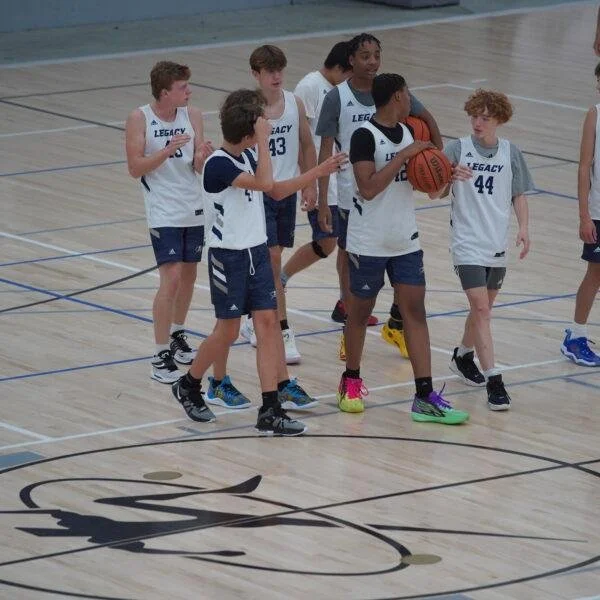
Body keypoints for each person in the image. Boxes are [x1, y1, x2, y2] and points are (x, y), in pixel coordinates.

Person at [171, 89, 346, 433]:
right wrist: (264, 143)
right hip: (229, 257)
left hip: (256, 252)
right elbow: (267, 182)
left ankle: (270, 409)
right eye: (261, 128)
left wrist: (318, 171)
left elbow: (276, 190)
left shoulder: (247, 157)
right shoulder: (220, 164)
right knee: (228, 330)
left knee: (268, 326)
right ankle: (189, 384)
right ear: (250, 133)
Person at [337, 73, 469, 426]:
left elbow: (427, 189)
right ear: (396, 96)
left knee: (415, 310)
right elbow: (367, 188)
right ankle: (350, 381)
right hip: (368, 240)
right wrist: (403, 156)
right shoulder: (364, 136)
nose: (411, 98)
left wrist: (443, 175)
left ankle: (424, 396)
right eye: (408, 93)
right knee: (359, 314)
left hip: (405, 238)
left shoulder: (410, 133)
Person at [125, 61, 248, 408]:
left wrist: (202, 154)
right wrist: (165, 151)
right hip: (162, 209)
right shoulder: (140, 118)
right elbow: (135, 168)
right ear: (165, 92)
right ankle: (159, 353)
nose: (189, 91)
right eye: (182, 87)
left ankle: (178, 332)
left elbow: (195, 164)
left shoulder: (192, 114)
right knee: (172, 277)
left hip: (193, 206)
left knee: (190, 275)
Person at [315, 33, 444, 362]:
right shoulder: (337, 99)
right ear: (351, 61)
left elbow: (428, 120)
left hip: (393, 206)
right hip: (352, 193)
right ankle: (349, 322)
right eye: (365, 56)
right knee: (346, 258)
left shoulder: (392, 92)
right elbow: (326, 151)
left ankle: (395, 325)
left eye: (376, 55)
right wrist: (321, 197)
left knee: (405, 281)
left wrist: (436, 162)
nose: (372, 61)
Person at [434, 88, 533, 410]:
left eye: (485, 118)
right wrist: (449, 175)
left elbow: (518, 194)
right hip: (466, 242)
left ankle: (463, 355)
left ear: (499, 121)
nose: (478, 122)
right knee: (482, 310)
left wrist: (524, 228)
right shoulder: (457, 149)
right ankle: (495, 380)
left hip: (496, 242)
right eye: (475, 116)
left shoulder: (510, 152)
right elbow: (434, 192)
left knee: (482, 310)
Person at [239, 44, 318, 365]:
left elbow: (306, 144)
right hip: (259, 194)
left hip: (286, 193)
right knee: (271, 259)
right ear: (256, 74)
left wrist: (310, 182)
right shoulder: (247, 109)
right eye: (269, 71)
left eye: (280, 70)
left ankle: (252, 318)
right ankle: (282, 330)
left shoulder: (294, 103)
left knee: (273, 258)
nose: (276, 76)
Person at [279, 42, 352, 293]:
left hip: (343, 179)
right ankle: (282, 277)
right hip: (321, 180)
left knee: (348, 245)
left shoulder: (341, 90)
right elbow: (301, 139)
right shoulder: (310, 86)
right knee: (327, 242)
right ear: (340, 68)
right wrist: (308, 182)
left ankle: (345, 303)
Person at [560, 62, 600, 367]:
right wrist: (584, 216)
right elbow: (584, 166)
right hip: (599, 211)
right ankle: (576, 337)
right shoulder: (595, 115)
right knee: (595, 274)